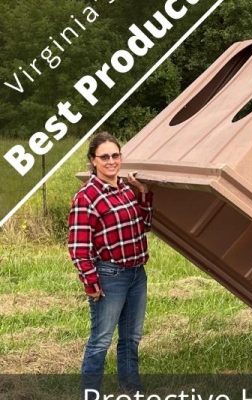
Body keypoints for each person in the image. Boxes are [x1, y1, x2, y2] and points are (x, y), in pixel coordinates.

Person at [67, 131, 153, 395]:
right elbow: (79, 247)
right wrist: (90, 282)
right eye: (104, 157)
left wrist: (144, 195)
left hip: (136, 274)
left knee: (131, 339)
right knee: (101, 341)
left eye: (115, 155)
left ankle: (131, 389)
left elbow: (144, 227)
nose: (111, 161)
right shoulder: (87, 197)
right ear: (93, 160)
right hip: (110, 276)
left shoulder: (126, 190)